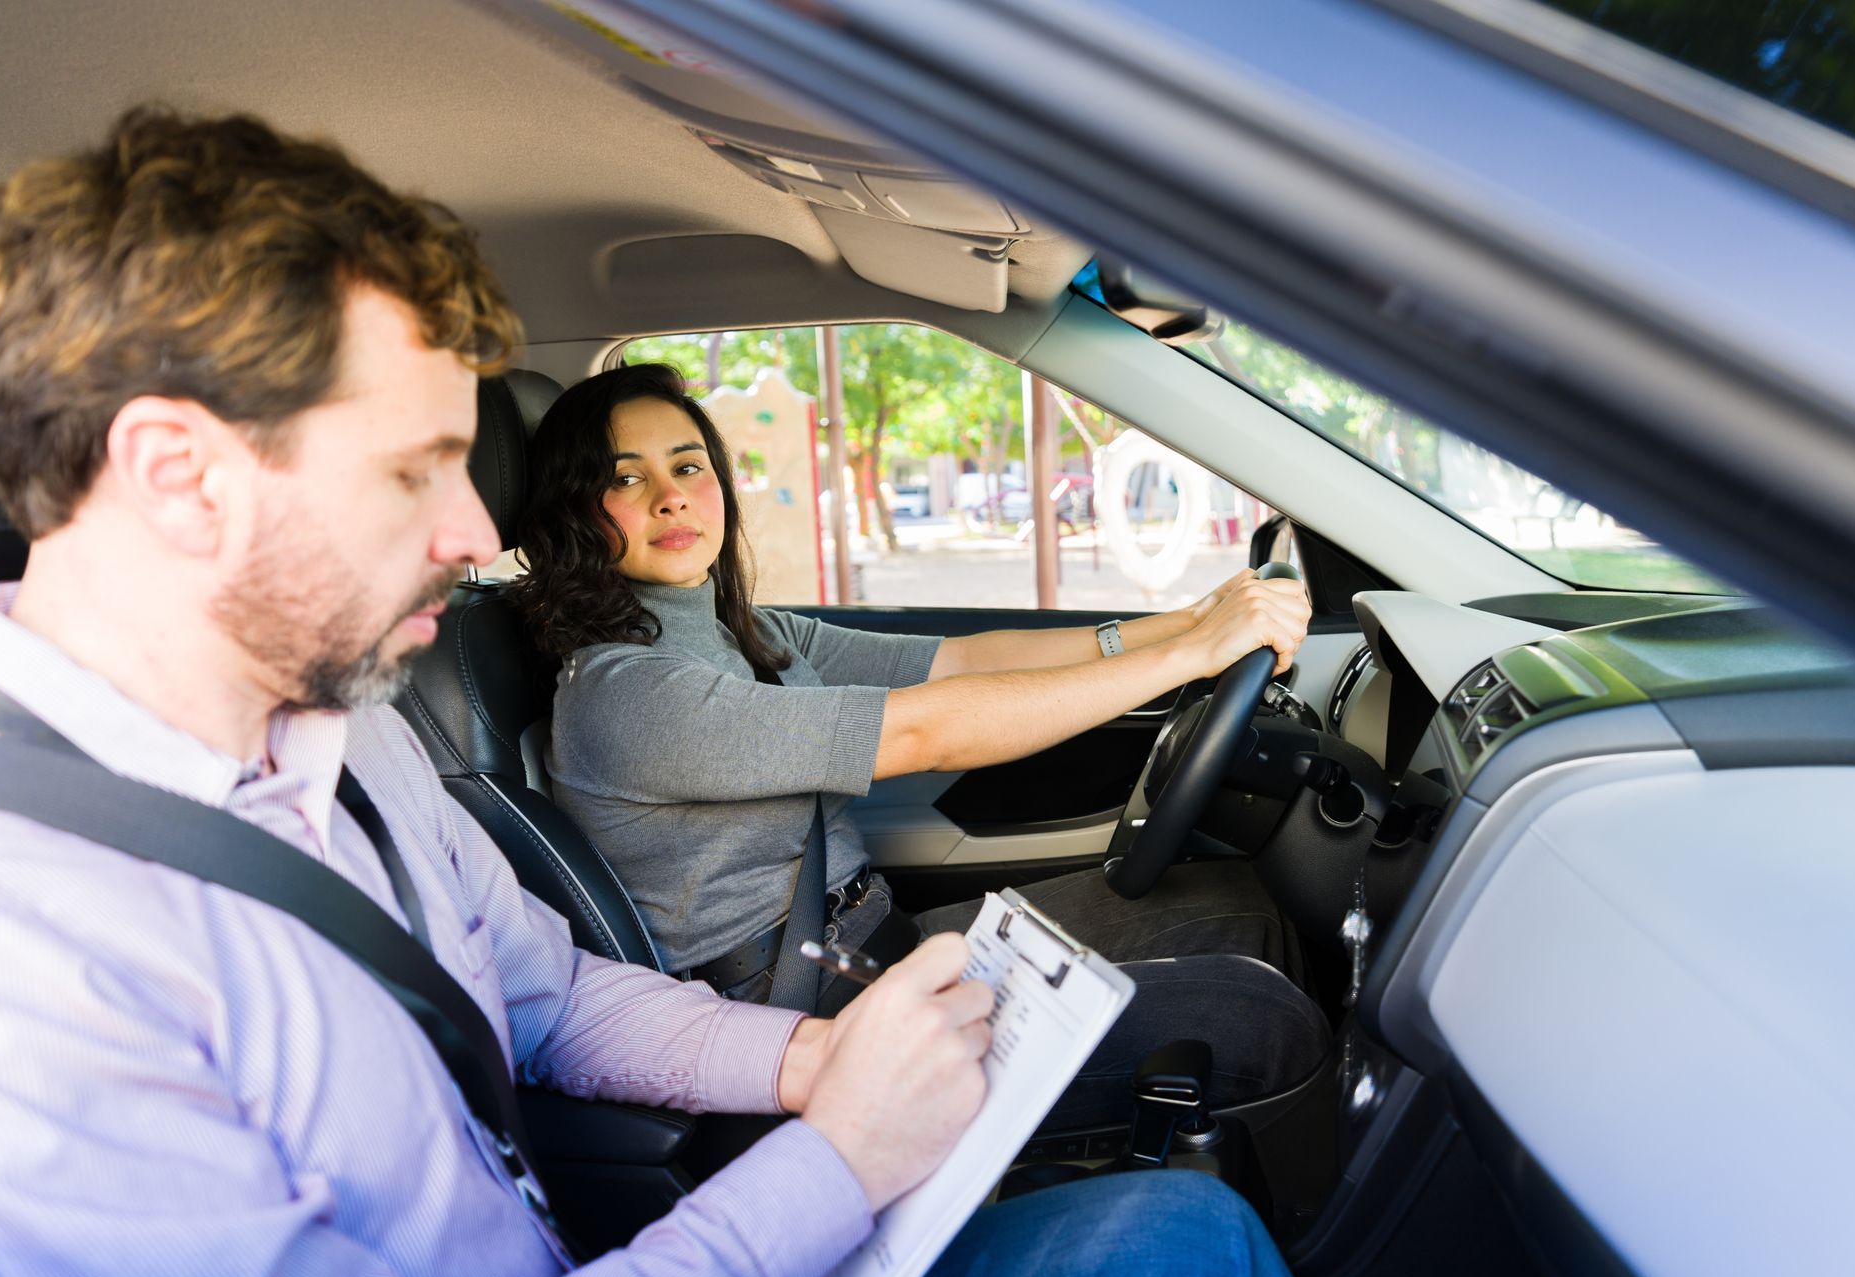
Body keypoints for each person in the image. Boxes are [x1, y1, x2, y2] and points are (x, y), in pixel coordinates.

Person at [0, 108, 1292, 1277]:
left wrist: (809, 1059)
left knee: (1191, 1225)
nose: (473, 534)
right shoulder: (36, 983)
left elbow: (550, 994)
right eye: (411, 472)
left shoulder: (351, 739)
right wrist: (840, 1159)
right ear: (180, 476)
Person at [512, 365, 1331, 1128]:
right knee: (1262, 1023)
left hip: (873, 937)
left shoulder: (744, 632)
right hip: (803, 1009)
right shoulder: (626, 691)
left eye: (688, 466)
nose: (670, 498)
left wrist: (1188, 622)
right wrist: (1191, 658)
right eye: (626, 479)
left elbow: (962, 661)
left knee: (1233, 906)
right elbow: (924, 729)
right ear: (575, 513)